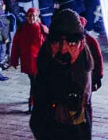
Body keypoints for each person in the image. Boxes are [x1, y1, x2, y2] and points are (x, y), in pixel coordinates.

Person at [30, 8, 95, 140]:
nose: (63, 48)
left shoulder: (82, 68)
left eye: (71, 42)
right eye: (56, 41)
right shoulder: (45, 65)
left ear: (81, 44)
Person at [9, 7, 47, 112]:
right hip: (28, 61)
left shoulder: (42, 29)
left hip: (39, 61)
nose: (31, 18)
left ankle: (33, 101)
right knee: (34, 82)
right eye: (29, 16)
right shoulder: (22, 29)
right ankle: (33, 101)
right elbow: (15, 45)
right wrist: (14, 60)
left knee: (36, 82)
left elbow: (48, 45)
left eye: (33, 16)